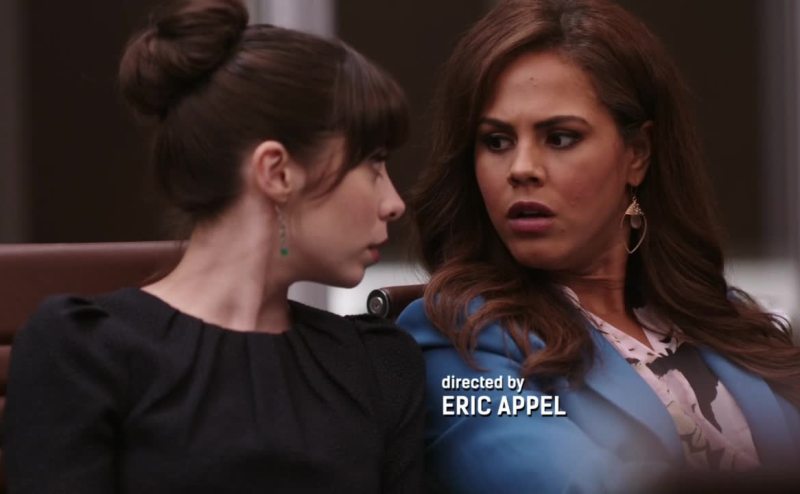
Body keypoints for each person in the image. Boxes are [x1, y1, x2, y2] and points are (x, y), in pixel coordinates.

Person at [3, 0, 424, 492]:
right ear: (277, 172)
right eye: (373, 162)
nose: (394, 203)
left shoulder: (380, 364)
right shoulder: (83, 352)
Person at [396, 0, 800, 492]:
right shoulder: (459, 336)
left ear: (637, 154)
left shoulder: (725, 315)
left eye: (560, 138)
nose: (521, 169)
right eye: (497, 141)